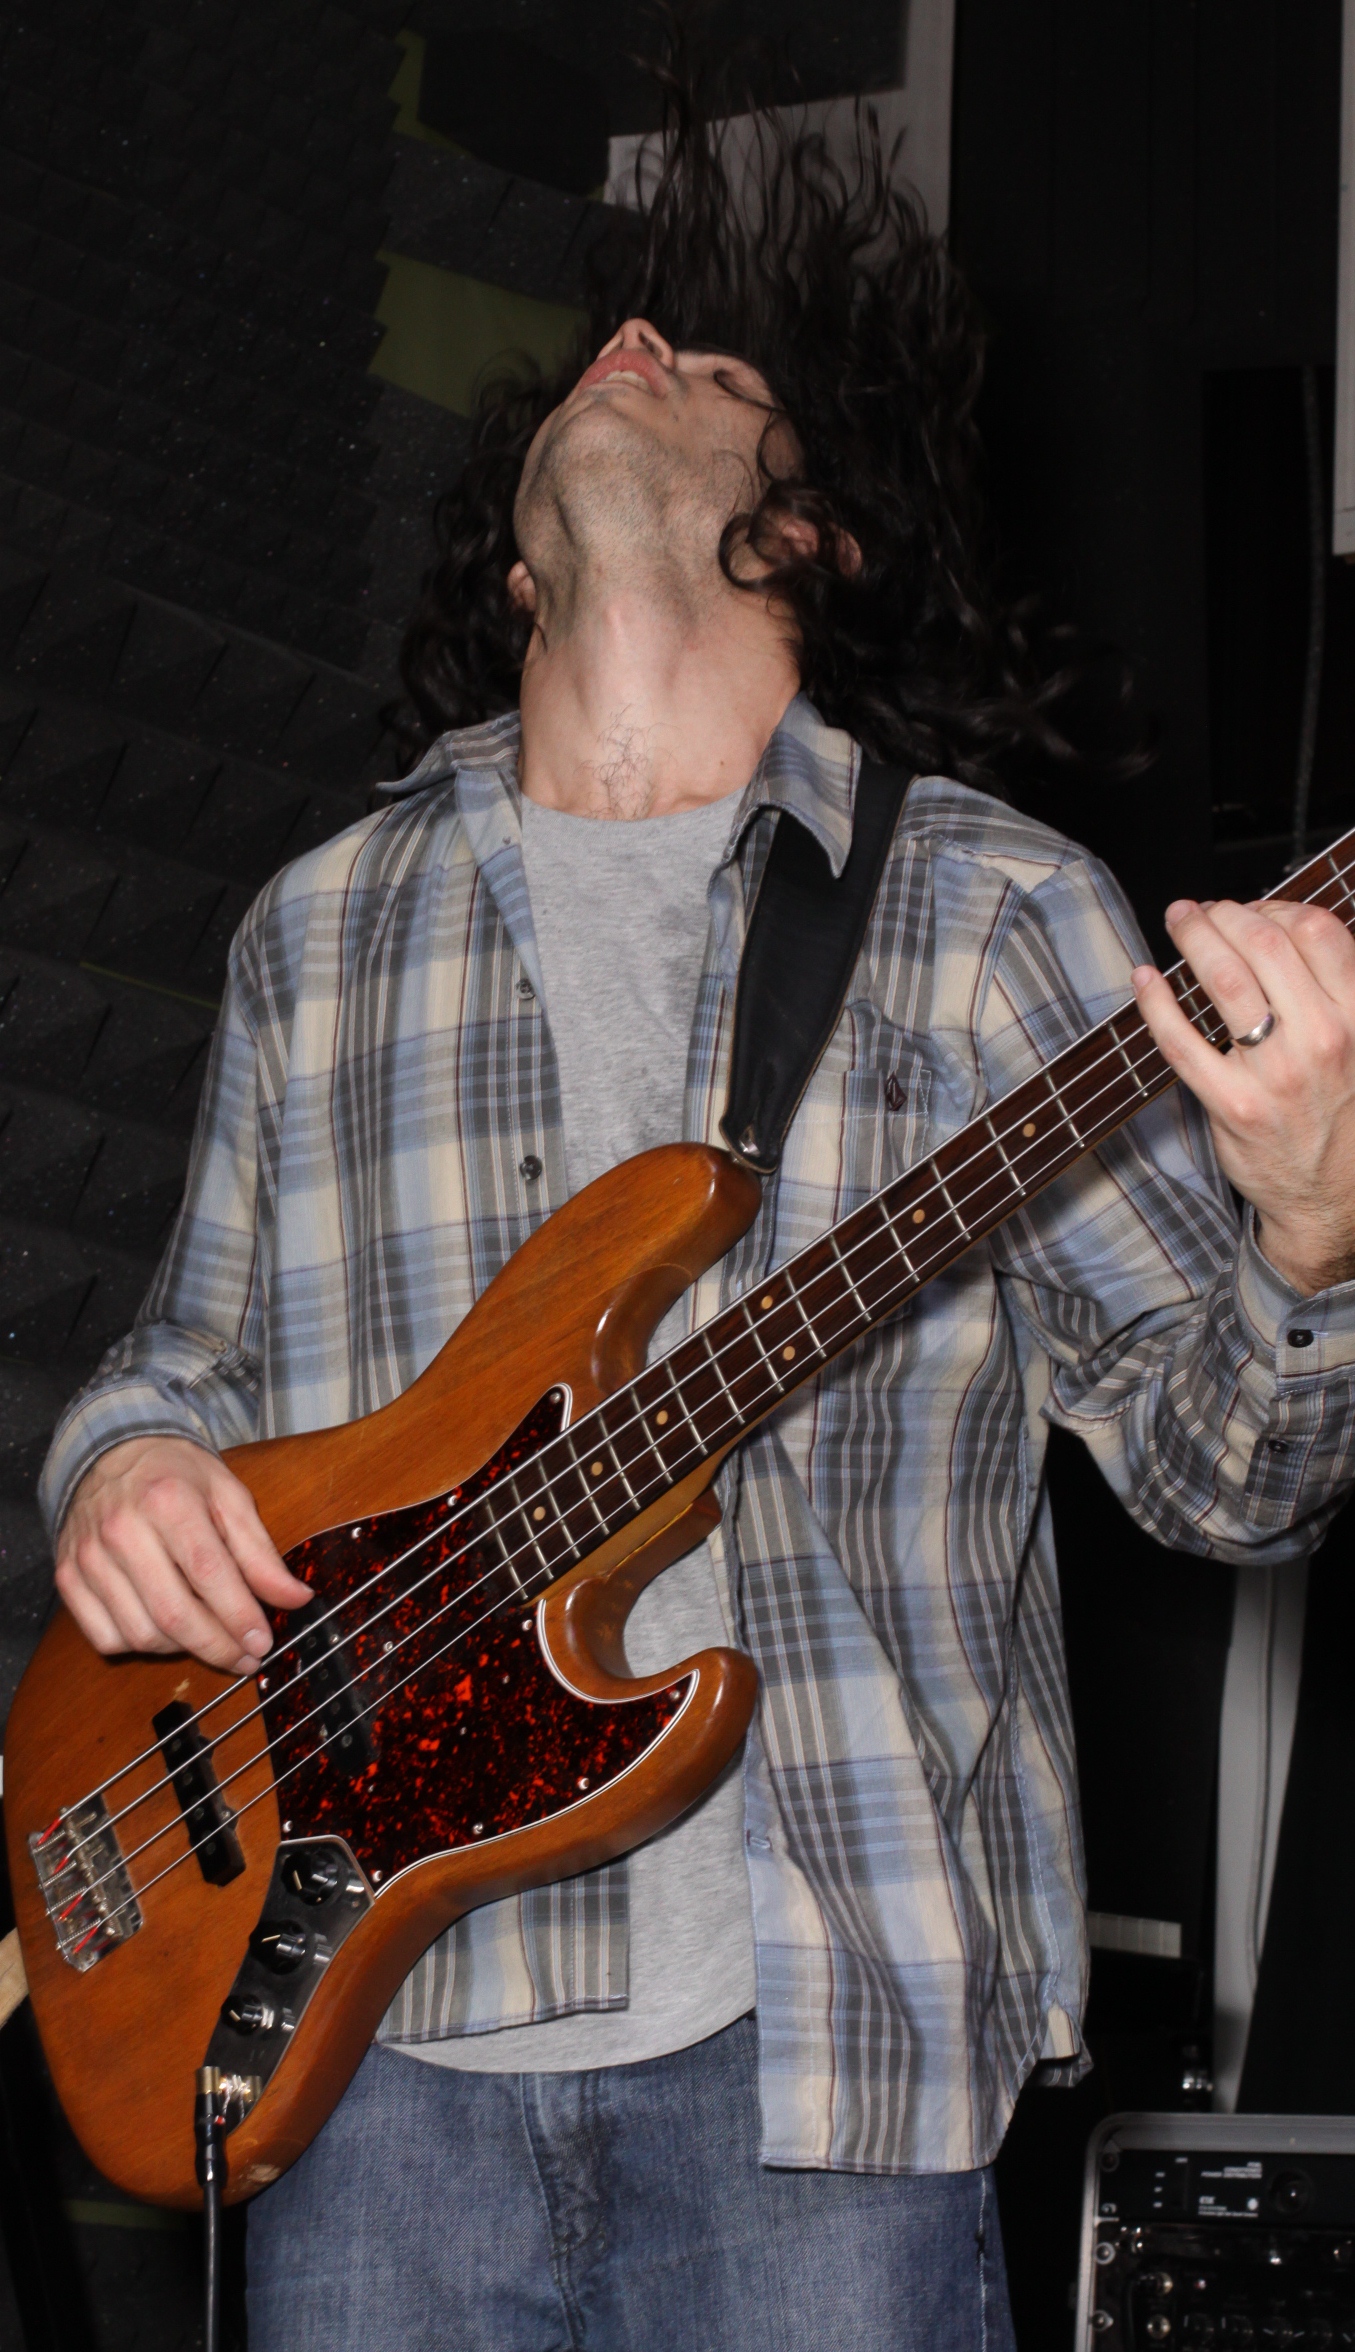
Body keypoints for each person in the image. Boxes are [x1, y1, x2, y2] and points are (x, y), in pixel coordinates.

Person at [37, 100, 1355, 2352]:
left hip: (825, 2079)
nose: (639, 332)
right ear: (520, 565)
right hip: (371, 2075)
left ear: (809, 535)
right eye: (611, 342)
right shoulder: (318, 931)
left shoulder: (1000, 917)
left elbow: (1225, 1475)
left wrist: (1317, 1222)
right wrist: (124, 1476)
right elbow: (181, 1369)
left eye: (719, 372)